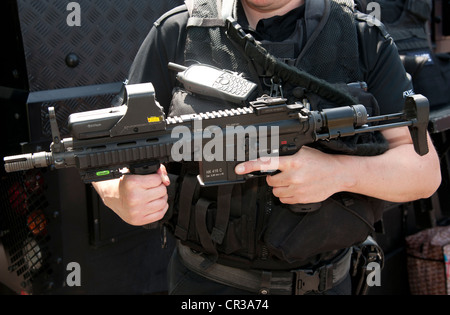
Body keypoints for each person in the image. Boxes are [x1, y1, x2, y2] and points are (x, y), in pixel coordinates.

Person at [93, 0, 441, 295]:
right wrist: (118, 193)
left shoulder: (362, 37)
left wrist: (337, 173)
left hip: (326, 283)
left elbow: (424, 171)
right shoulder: (180, 31)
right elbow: (109, 144)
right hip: (207, 285)